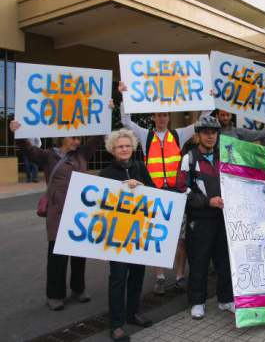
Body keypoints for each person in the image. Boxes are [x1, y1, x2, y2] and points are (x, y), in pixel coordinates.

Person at [9, 120, 101, 311]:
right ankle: (55, 295)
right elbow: (27, 149)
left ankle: (79, 289)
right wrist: (18, 132)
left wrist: (107, 112)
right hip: (58, 213)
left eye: (78, 137)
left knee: (79, 253)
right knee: (57, 255)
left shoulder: (82, 154)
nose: (77, 141)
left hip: (79, 213)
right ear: (62, 137)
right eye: (73, 137)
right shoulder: (48, 156)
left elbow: (99, 138)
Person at [118, 82, 190, 295]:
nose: (161, 118)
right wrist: (123, 96)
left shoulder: (178, 135)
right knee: (156, 236)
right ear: (153, 117)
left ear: (168, 118)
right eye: (158, 115)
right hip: (155, 193)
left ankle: (179, 276)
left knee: (180, 238)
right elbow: (125, 121)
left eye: (165, 115)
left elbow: (202, 122)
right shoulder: (145, 135)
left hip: (177, 193)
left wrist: (207, 99)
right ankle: (159, 276)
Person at [99, 129, 154, 341]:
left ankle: (133, 314)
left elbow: (154, 192)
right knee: (118, 279)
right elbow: (102, 204)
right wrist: (123, 188)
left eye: (127, 146)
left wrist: (142, 187)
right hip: (118, 235)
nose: (124, 149)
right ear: (113, 149)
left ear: (133, 147)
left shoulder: (140, 167)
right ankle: (116, 324)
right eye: (120, 146)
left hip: (139, 233)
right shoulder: (106, 173)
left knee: (137, 276)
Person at [182, 115, 234, 320]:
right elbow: (182, 190)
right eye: (206, 132)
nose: (210, 136)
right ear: (198, 135)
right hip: (200, 220)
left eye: (213, 133)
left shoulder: (225, 156)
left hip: (223, 219)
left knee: (224, 262)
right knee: (199, 262)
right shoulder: (189, 158)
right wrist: (207, 201)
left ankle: (225, 299)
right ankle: (197, 302)